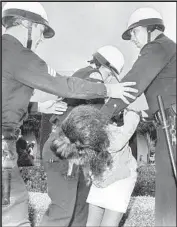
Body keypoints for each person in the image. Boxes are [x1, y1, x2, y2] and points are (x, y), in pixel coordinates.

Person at [2, 2, 138, 226]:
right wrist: (110, 92)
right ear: (25, 23)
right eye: (39, 30)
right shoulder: (18, 54)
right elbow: (64, 86)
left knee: (72, 208)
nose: (40, 39)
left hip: (51, 146)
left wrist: (35, 108)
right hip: (63, 150)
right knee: (39, 210)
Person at [39, 45, 148, 227]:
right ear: (106, 68)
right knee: (64, 212)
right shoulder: (93, 77)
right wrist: (130, 112)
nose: (112, 79)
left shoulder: (85, 84)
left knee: (78, 211)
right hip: (67, 148)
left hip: (74, 150)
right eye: (112, 74)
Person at [100, 7, 176, 226]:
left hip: (171, 124)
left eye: (134, 32)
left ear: (150, 29)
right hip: (166, 120)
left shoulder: (157, 47)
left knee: (168, 186)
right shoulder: (168, 49)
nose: (131, 38)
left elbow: (131, 85)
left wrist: (98, 118)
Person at [49, 104, 140, 227]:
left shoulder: (114, 142)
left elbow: (133, 119)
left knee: (109, 224)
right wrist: (96, 178)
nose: (75, 163)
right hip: (101, 178)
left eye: (73, 158)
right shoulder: (81, 139)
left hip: (121, 178)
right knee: (91, 223)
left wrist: (130, 109)